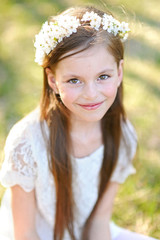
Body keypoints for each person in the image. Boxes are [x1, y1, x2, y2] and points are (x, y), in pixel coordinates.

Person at [0, 5, 157, 240]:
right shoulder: (27, 142)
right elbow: (25, 234)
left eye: (103, 76)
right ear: (53, 80)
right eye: (74, 80)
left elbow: (99, 222)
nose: (91, 94)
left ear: (120, 71)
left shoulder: (121, 135)